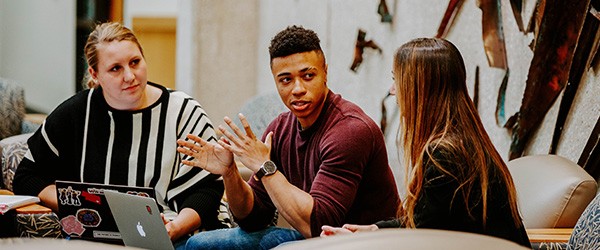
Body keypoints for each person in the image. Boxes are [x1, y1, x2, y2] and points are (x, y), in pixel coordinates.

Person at [176, 25, 400, 249]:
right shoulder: (280, 128)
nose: (298, 89)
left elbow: (319, 225)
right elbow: (253, 218)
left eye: (308, 76)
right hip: (316, 239)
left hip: (362, 243)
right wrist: (230, 173)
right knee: (198, 243)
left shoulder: (350, 130)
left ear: (325, 73)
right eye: (286, 80)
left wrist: (265, 166)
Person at [13, 22, 226, 247]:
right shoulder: (76, 114)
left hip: (182, 235)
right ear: (95, 74)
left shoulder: (183, 111)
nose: (130, 76)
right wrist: (79, 205)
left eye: (135, 62)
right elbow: (27, 176)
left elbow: (207, 188)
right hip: (101, 239)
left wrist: (174, 228)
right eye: (115, 68)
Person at [320, 38, 531, 247]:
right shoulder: (464, 143)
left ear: (419, 88)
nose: (393, 90)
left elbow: (420, 239)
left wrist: (361, 243)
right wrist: (374, 231)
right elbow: (427, 222)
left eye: (397, 80)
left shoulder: (444, 155)